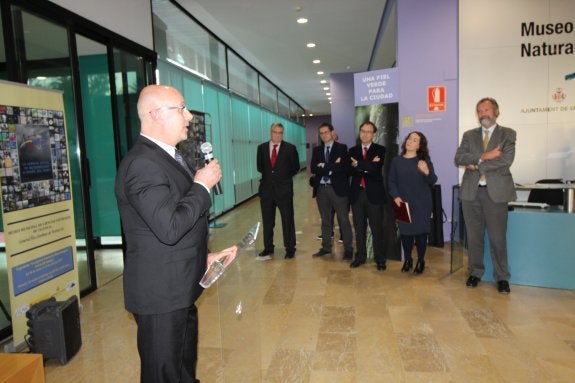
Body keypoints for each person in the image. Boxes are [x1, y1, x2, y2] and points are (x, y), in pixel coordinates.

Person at [115, 84, 238, 383]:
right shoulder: (143, 163)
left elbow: (177, 221)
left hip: (179, 287)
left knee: (183, 371)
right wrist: (202, 186)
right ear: (155, 114)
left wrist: (202, 258)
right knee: (163, 375)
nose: (190, 116)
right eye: (181, 108)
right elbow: (169, 227)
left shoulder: (168, 156)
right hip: (161, 296)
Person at [454, 97, 516, 294]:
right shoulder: (469, 135)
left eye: (487, 110)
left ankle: (502, 277)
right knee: (474, 237)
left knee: (498, 238)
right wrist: (485, 155)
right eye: (480, 111)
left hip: (495, 194)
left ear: (496, 112)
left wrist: (477, 163)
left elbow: (506, 159)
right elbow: (459, 158)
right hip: (471, 193)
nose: (483, 114)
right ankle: (475, 272)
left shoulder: (507, 133)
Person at [388, 131, 438, 274]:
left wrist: (426, 171)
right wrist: (395, 196)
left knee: (421, 234)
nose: (410, 141)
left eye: (415, 140)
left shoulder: (424, 160)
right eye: (409, 138)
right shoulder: (397, 161)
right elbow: (391, 181)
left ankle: (421, 260)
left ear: (419, 145)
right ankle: (408, 259)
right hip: (402, 203)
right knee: (406, 234)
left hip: (422, 203)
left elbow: (433, 180)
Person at [256, 122, 300, 260]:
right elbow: (260, 167)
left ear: (283, 134)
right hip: (267, 191)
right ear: (270, 132)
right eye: (275, 132)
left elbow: (295, 167)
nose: (277, 135)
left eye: (280, 133)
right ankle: (268, 247)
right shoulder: (261, 148)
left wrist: (283, 178)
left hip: (284, 191)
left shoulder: (290, 148)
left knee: (288, 220)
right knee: (268, 221)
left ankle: (290, 248)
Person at [310, 122, 354, 259]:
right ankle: (326, 247)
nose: (324, 135)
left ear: (332, 133)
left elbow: (343, 168)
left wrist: (324, 166)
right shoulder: (317, 150)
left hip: (338, 190)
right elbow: (313, 168)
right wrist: (332, 166)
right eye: (321, 133)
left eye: (326, 132)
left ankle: (348, 249)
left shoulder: (342, 148)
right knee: (325, 220)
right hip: (321, 190)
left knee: (343, 220)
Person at [348, 121, 387, 270]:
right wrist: (368, 165)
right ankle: (360, 257)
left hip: (374, 195)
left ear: (374, 134)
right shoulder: (352, 150)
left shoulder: (380, 149)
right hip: (357, 195)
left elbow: (376, 169)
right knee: (359, 228)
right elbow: (350, 171)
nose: (365, 134)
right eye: (363, 131)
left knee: (377, 229)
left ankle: (380, 259)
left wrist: (358, 165)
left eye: (369, 131)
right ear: (359, 132)